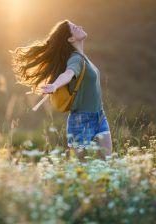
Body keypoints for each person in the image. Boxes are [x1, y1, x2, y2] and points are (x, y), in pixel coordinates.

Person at [11, 19, 113, 161]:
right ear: (71, 38)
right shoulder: (76, 59)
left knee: (106, 163)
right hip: (81, 120)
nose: (80, 26)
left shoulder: (84, 58)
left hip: (99, 116)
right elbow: (68, 74)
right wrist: (54, 85)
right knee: (80, 169)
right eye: (75, 27)